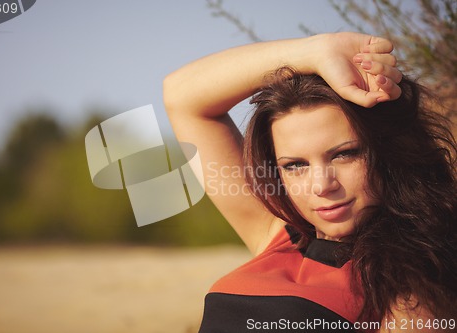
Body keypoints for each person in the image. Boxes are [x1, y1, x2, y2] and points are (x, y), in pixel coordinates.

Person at [163, 32, 456, 332]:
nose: (321, 185)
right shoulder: (278, 237)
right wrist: (316, 51)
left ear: (389, 151)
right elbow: (181, 96)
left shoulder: (410, 292)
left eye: (345, 154)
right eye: (295, 165)